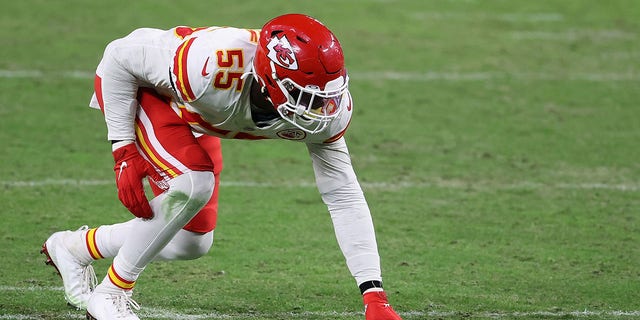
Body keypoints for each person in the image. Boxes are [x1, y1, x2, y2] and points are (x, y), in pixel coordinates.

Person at [41, 13, 402, 320]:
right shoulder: (212, 65)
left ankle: (75, 248)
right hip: (140, 88)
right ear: (269, 80)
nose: (321, 110)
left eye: (326, 94)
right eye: (306, 96)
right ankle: (112, 293)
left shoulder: (325, 112)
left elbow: (343, 196)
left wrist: (374, 294)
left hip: (194, 116)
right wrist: (123, 150)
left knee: (190, 243)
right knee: (193, 184)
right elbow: (118, 57)